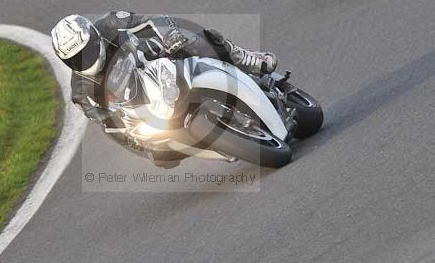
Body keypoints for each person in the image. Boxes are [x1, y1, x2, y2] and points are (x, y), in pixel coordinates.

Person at [51, 11, 277, 167]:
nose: (84, 59)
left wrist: (170, 36)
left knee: (200, 41)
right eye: (75, 59)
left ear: (93, 36)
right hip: (147, 105)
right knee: (162, 157)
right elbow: (108, 125)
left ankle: (248, 59)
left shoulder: (111, 22)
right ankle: (222, 145)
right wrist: (135, 142)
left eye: (86, 50)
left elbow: (152, 22)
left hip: (159, 58)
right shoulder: (81, 93)